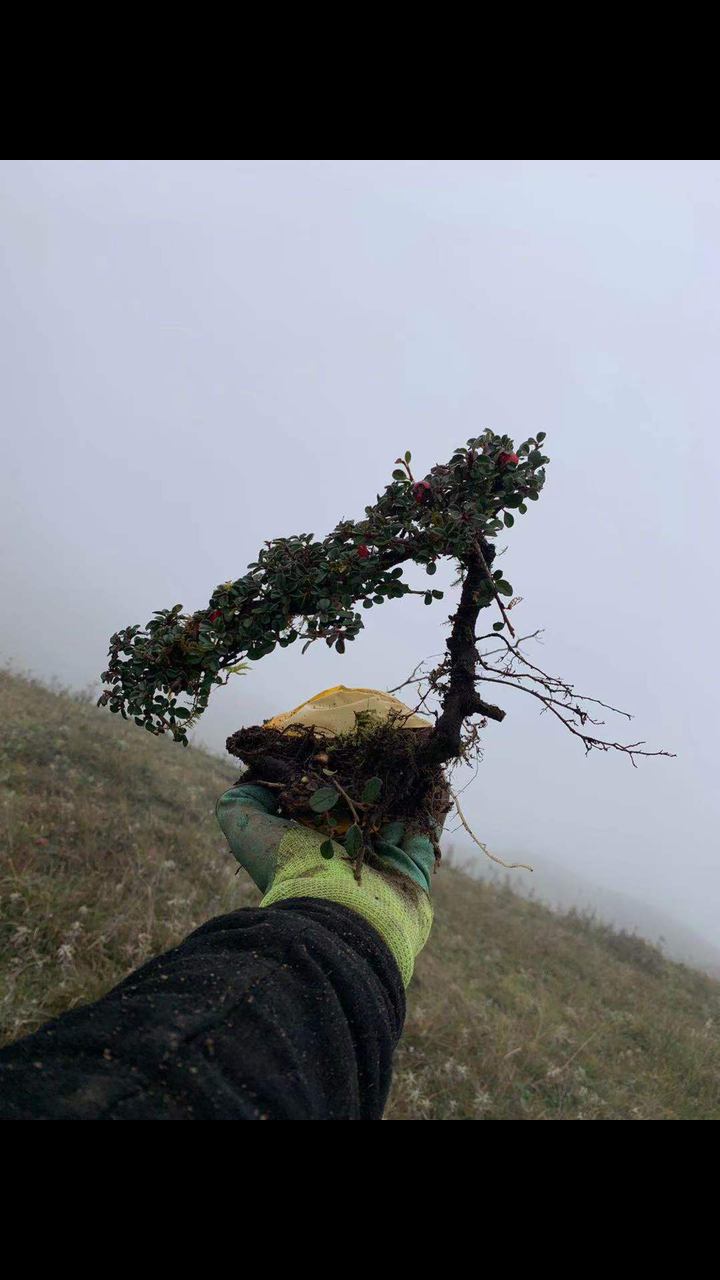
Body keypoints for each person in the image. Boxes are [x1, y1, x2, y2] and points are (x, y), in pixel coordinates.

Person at [0, 688, 442, 1120]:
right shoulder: (415, 902)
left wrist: (270, 777)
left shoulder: (303, 861)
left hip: (292, 954)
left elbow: (241, 804)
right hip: (371, 1030)